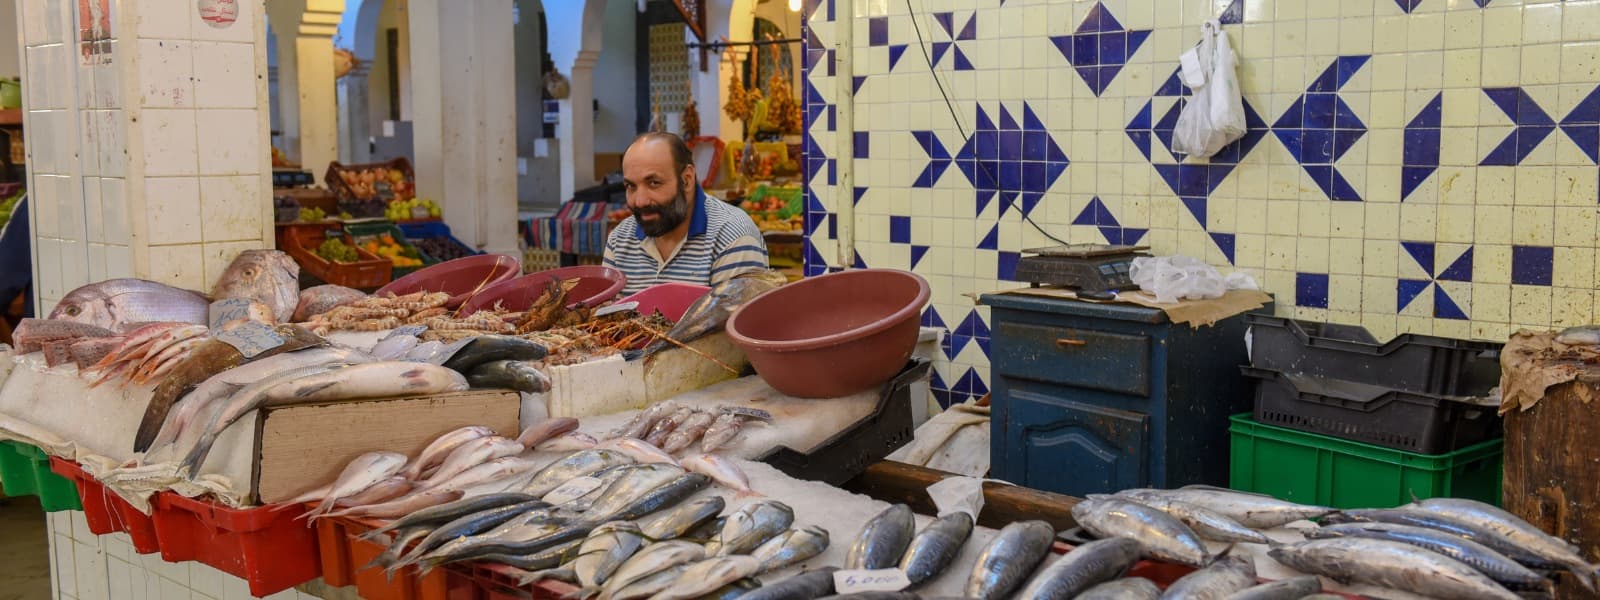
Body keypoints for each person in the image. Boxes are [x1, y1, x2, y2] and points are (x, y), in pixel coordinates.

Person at [604, 132, 768, 296]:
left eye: (654, 183)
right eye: (631, 187)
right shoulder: (619, 241)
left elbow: (733, 320)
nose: (640, 201)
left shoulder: (732, 238)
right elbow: (606, 319)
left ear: (687, 180)